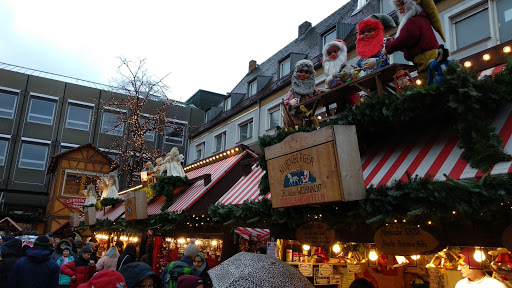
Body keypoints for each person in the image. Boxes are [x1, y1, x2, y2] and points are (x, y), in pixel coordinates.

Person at [384, 0, 445, 81]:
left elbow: (405, 38)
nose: (400, 8)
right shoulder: (418, 19)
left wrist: (388, 47)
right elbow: (407, 42)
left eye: (402, 3)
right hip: (425, 59)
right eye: (398, 6)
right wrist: (392, 41)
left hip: (425, 59)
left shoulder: (414, 20)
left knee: (427, 83)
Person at [282, 59, 320, 128]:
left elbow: (317, 95)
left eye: (306, 72)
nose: (303, 74)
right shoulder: (293, 90)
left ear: (311, 74)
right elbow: (285, 102)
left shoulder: (312, 89)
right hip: (295, 118)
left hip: (308, 116)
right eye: (301, 72)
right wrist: (290, 103)